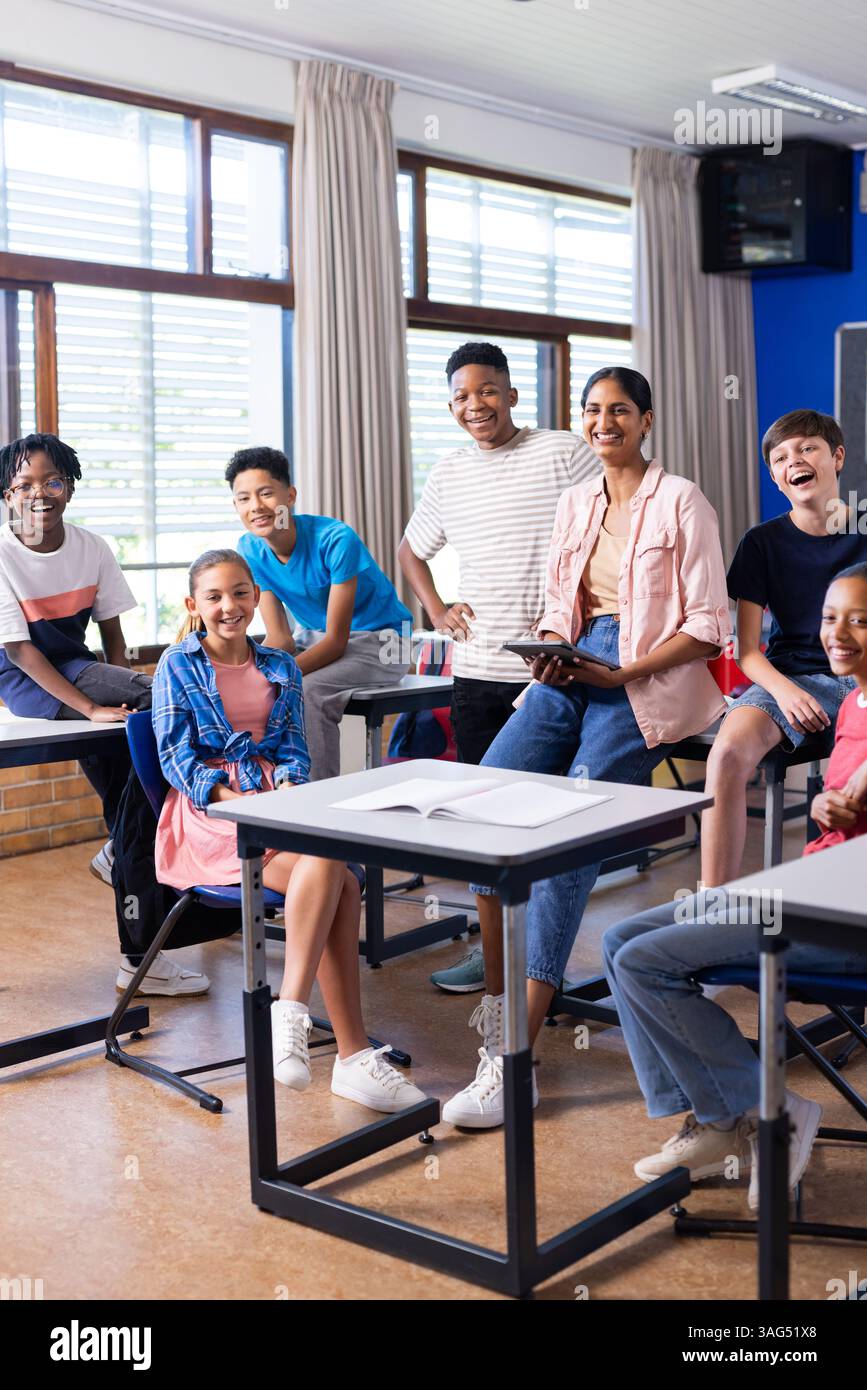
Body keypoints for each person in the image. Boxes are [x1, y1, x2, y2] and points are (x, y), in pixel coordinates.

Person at [442, 367, 731, 1128]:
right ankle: (501, 1002)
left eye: (620, 411)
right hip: (570, 665)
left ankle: (512, 1056)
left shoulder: (682, 501)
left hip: (642, 674)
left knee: (568, 840)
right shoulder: (576, 500)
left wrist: (621, 670)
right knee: (483, 799)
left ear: (646, 421)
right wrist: (546, 649)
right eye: (593, 411)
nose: (604, 423)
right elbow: (555, 606)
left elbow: (708, 624)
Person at [602, 562, 867, 1208]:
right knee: (617, 940)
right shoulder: (854, 702)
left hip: (840, 924)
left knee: (644, 963)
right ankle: (719, 1118)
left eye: (859, 619)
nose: (838, 633)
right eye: (829, 617)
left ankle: (768, 1113)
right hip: (806, 896)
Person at [151, 548, 428, 1112]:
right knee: (340, 877)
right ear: (193, 606)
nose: (229, 606)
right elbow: (174, 757)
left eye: (240, 593)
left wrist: (286, 790)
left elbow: (294, 751)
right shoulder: (176, 666)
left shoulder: (280, 665)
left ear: (257, 597)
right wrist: (239, 802)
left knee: (334, 866)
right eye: (214, 596)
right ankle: (343, 1049)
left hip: (275, 803)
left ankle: (298, 1014)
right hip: (212, 816)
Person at [398, 340, 598, 994]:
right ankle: (494, 963)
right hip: (479, 669)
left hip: (551, 672)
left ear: (511, 394)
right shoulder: (449, 472)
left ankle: (539, 968)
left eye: (486, 390)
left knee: (546, 826)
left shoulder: (563, 451)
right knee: (482, 827)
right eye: (460, 396)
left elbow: (610, 525)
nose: (473, 405)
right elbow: (410, 549)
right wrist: (435, 609)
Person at [0, 433, 193, 996]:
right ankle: (136, 930)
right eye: (25, 484)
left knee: (128, 804)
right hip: (27, 680)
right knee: (164, 702)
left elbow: (112, 634)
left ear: (70, 487)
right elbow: (19, 651)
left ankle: (141, 951)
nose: (41, 493)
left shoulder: (91, 547)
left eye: (53, 481)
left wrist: (125, 703)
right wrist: (95, 705)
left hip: (86, 671)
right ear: (6, 494)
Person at [700, 409, 867, 886]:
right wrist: (787, 693)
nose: (795, 459)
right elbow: (747, 650)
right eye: (780, 456)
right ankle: (715, 907)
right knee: (728, 753)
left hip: (861, 678)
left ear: (837, 457)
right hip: (787, 677)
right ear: (775, 478)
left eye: (807, 447)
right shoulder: (761, 543)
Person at [227, 446, 412, 782]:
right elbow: (280, 637)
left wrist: (280, 677)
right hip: (313, 638)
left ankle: (317, 796)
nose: (256, 506)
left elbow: (336, 642)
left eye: (266, 493)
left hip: (387, 641)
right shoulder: (250, 548)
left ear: (291, 495)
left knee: (307, 689)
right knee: (250, 679)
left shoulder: (335, 539)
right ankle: (274, 785)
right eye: (243, 498)